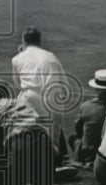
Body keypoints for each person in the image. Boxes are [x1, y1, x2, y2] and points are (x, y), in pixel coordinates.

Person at [11, 27, 68, 160]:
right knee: (52, 137)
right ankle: (56, 162)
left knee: (28, 133)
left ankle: (30, 160)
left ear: (23, 41)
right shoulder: (50, 56)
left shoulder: (16, 59)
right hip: (52, 97)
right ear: (40, 41)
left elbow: (17, 84)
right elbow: (63, 83)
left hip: (29, 98)